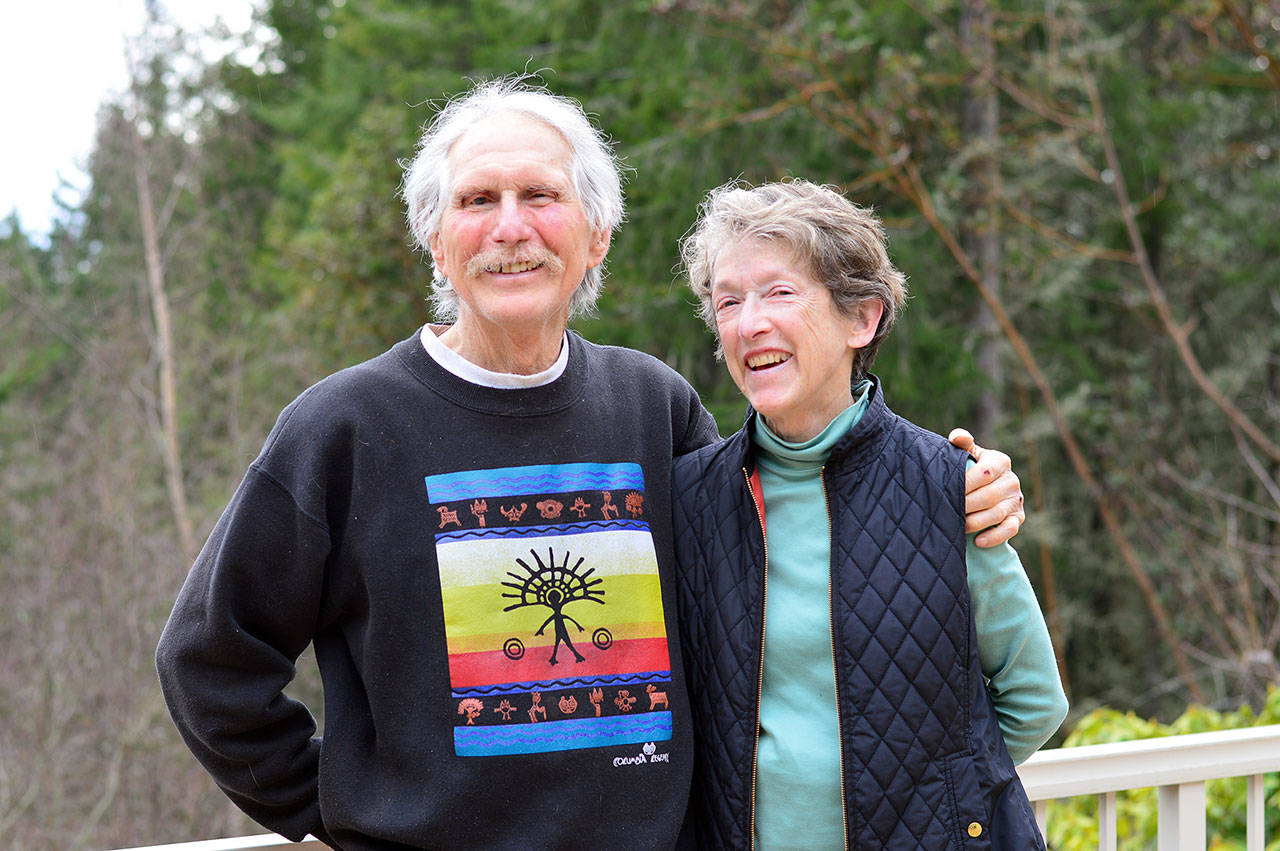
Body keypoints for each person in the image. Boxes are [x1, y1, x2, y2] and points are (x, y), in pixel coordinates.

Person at [155, 78, 1027, 849]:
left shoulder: (653, 405)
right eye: (475, 201)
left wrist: (958, 487)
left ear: (595, 236)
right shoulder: (342, 427)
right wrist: (341, 808)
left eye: (540, 195)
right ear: (435, 241)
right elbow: (209, 657)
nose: (509, 228)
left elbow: (784, 542)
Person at [671, 179, 1067, 849]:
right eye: (728, 301)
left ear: (862, 318)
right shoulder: (690, 498)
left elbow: (1034, 698)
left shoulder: (952, 488)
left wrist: (939, 810)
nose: (747, 322)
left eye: (780, 292)